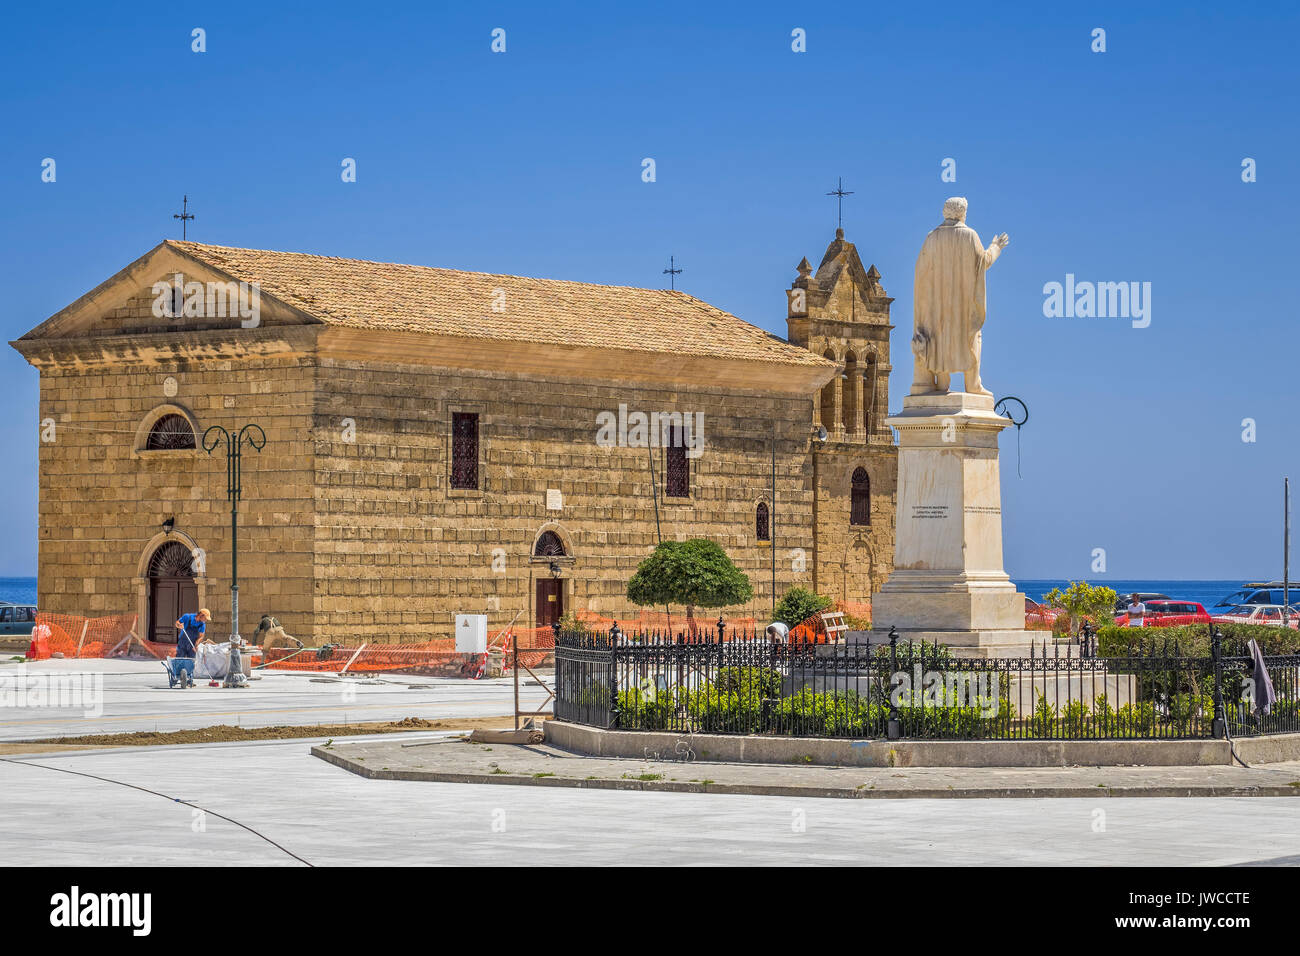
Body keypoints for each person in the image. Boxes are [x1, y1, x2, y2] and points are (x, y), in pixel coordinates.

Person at [172, 608, 210, 688]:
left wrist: (196, 645)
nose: (205, 620)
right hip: (183, 642)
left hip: (192, 644)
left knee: (191, 661)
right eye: (205, 618)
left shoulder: (202, 624)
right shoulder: (187, 617)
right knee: (179, 659)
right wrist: (179, 625)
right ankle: (176, 676)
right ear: (201, 615)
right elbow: (177, 623)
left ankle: (189, 680)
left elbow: (201, 636)